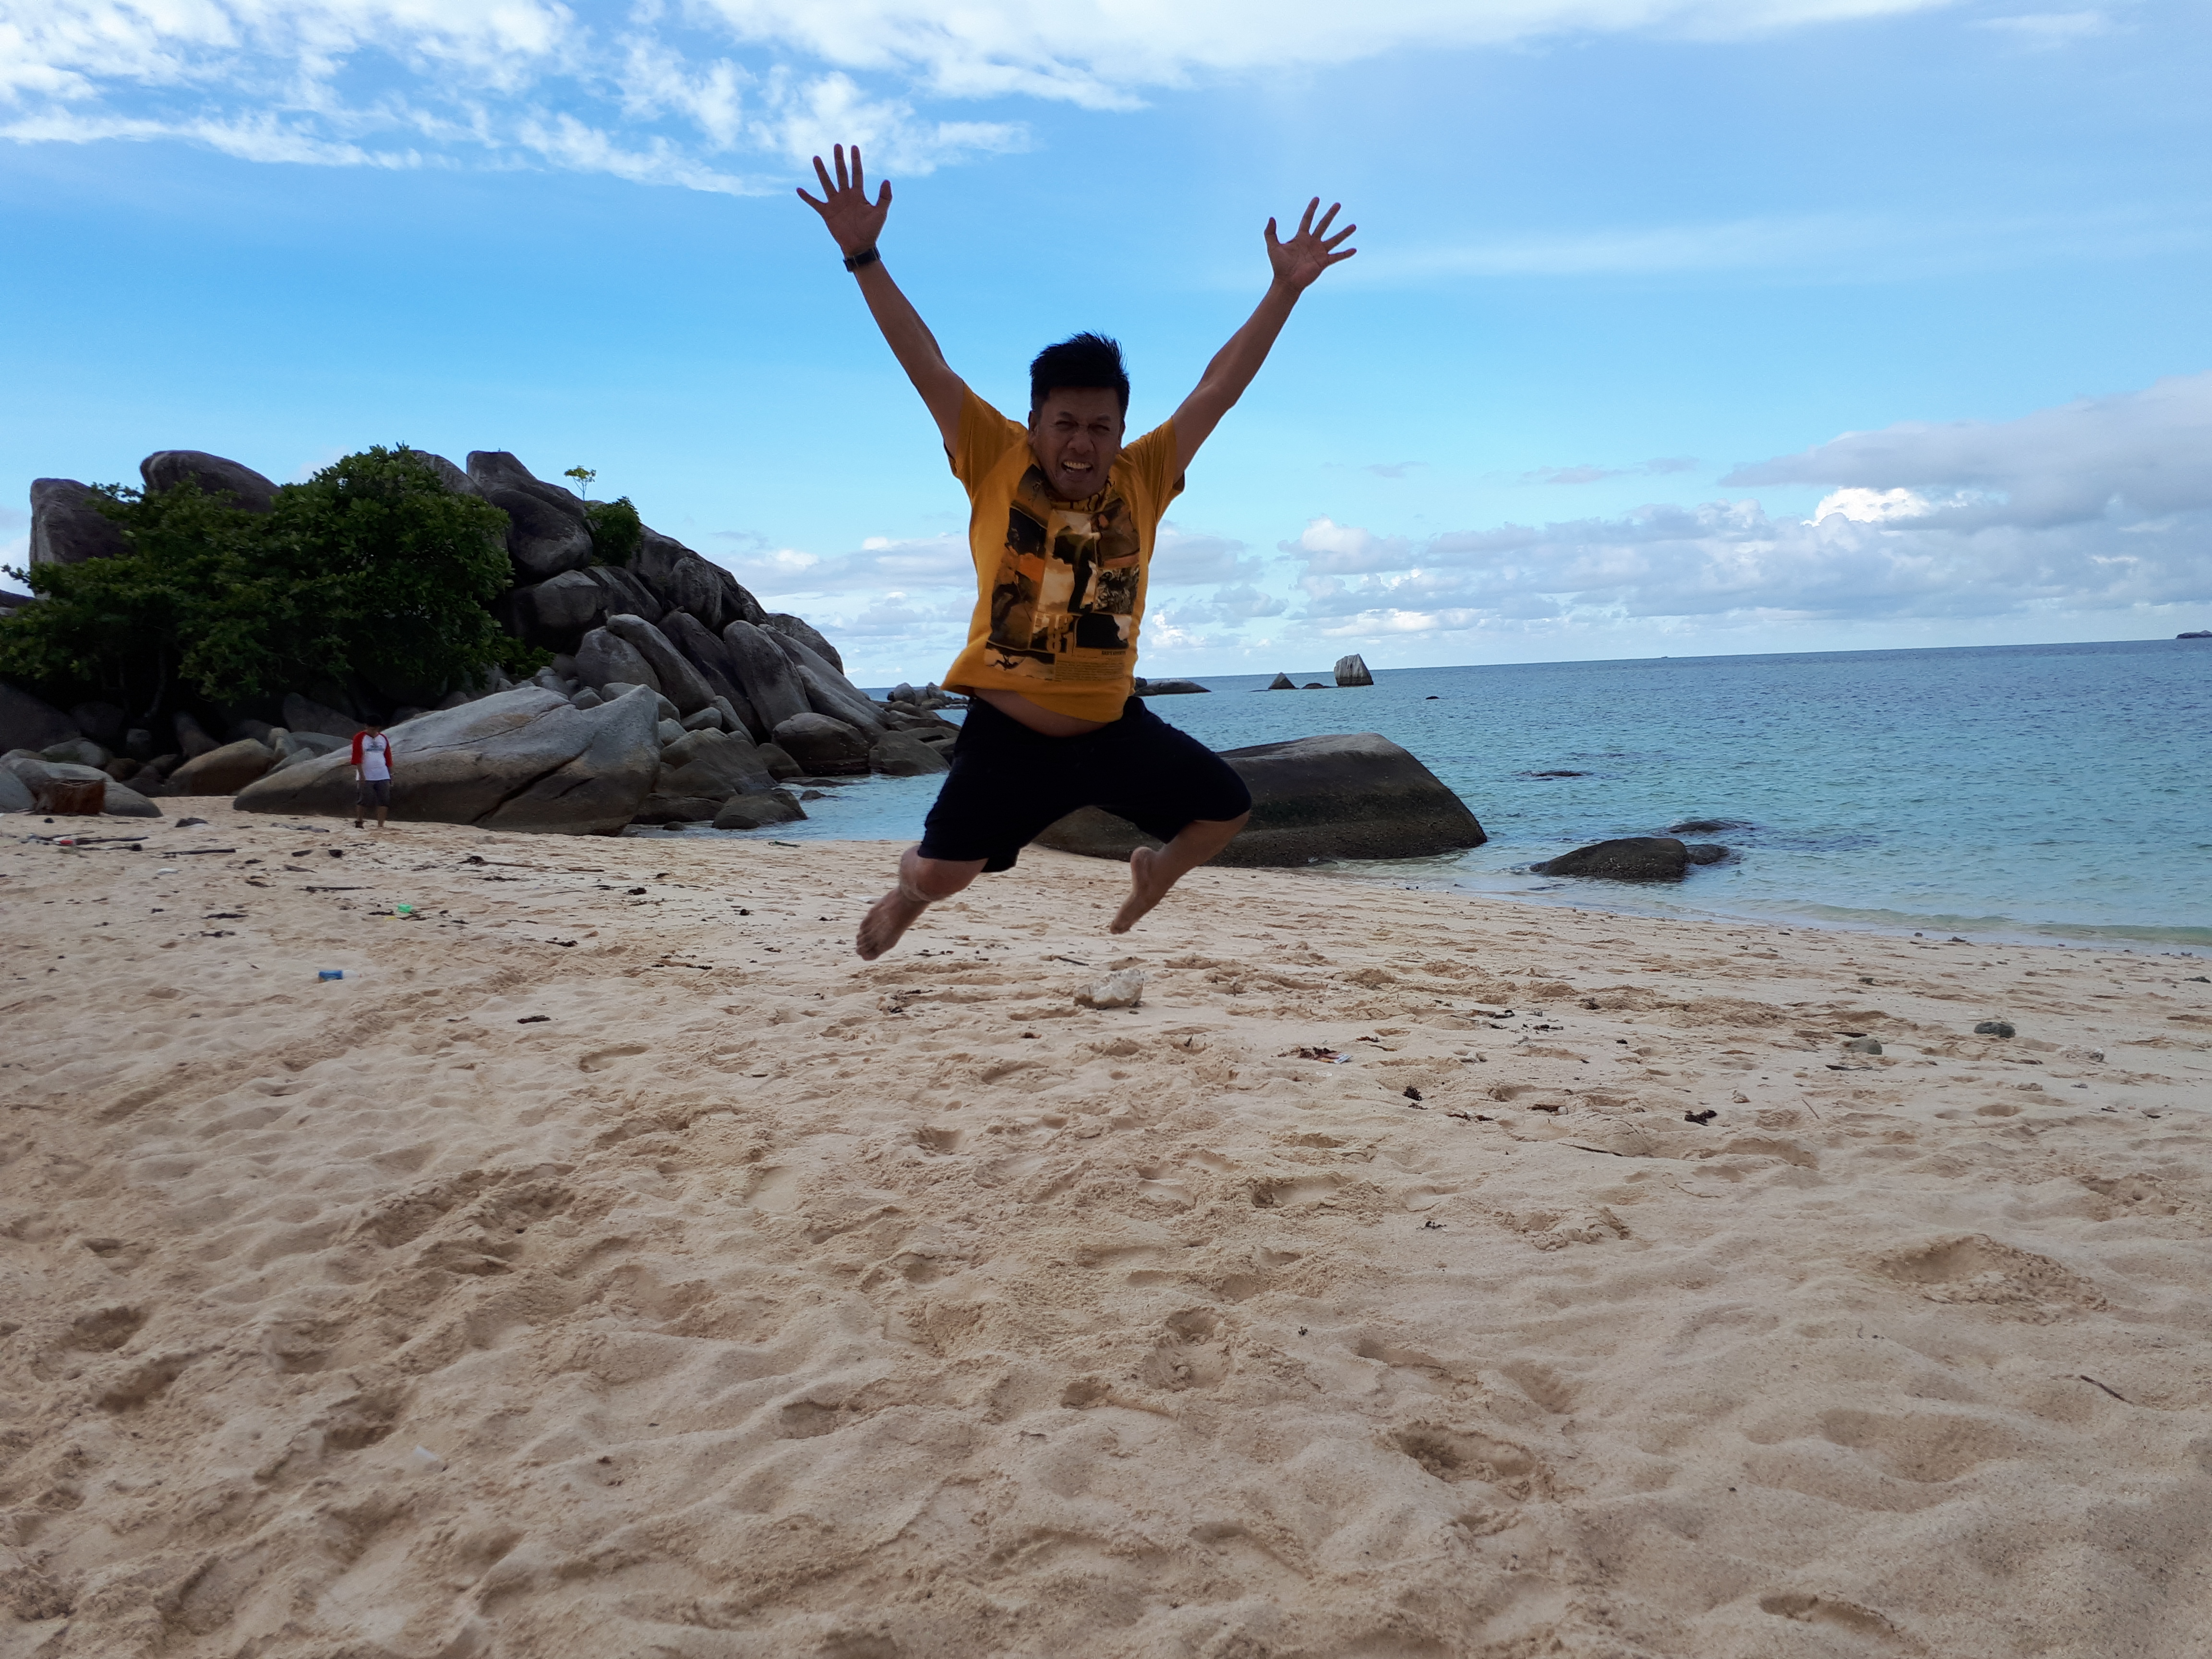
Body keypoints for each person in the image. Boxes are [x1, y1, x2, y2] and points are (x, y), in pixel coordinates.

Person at [797, 144, 1356, 962]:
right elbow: (926, 364)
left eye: (1100, 427)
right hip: (1008, 735)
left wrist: (1283, 290)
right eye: (1065, 424)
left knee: (1225, 809)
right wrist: (864, 256)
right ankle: (907, 893)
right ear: (1035, 423)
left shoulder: (1145, 475)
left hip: (1110, 730)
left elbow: (1218, 389)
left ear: (1121, 431)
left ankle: (1154, 873)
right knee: (945, 875)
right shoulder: (993, 457)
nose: (1082, 444)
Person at [350, 723, 394, 830]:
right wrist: (361, 775)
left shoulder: (383, 738)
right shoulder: (360, 737)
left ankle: (381, 825)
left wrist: (390, 774)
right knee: (364, 799)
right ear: (366, 727)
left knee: (384, 800)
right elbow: (357, 756)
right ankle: (359, 821)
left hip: (382, 773)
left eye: (375, 729)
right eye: (371, 729)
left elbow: (388, 756)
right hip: (367, 774)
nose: (373, 731)